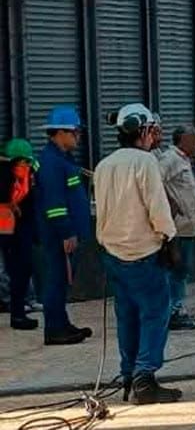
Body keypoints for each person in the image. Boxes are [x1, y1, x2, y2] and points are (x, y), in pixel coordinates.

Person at [95, 103, 180, 405]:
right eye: (151, 130)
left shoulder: (104, 165)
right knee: (155, 313)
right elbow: (157, 206)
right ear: (141, 130)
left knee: (127, 315)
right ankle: (145, 377)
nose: (154, 136)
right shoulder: (145, 163)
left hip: (112, 252)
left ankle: (129, 375)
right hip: (143, 252)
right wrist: (169, 237)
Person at [36, 105, 93, 345]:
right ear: (60, 133)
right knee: (56, 279)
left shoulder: (62, 159)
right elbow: (54, 203)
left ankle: (62, 323)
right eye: (75, 132)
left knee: (62, 279)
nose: (78, 137)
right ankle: (54, 329)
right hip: (57, 233)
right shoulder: (51, 162)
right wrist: (66, 231)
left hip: (64, 232)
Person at [159, 125, 195, 330]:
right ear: (183, 141)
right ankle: (172, 311)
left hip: (189, 227)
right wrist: (171, 203)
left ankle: (177, 308)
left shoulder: (183, 160)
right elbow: (154, 183)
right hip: (179, 228)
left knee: (183, 270)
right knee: (176, 270)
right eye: (194, 140)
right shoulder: (170, 159)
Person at [0, 138, 38, 330]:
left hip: (19, 233)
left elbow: (31, 203)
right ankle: (17, 313)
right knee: (15, 271)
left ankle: (19, 311)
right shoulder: (5, 178)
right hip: (8, 233)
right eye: (24, 162)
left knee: (21, 271)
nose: (27, 165)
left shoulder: (28, 177)